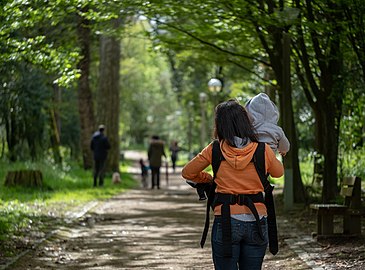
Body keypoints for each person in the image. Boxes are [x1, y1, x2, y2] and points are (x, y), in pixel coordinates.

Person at [182, 99, 284, 270]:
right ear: (245, 121)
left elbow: (188, 172)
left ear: (220, 124)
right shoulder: (262, 149)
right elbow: (278, 173)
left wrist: (209, 179)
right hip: (257, 220)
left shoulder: (214, 149)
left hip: (226, 220)